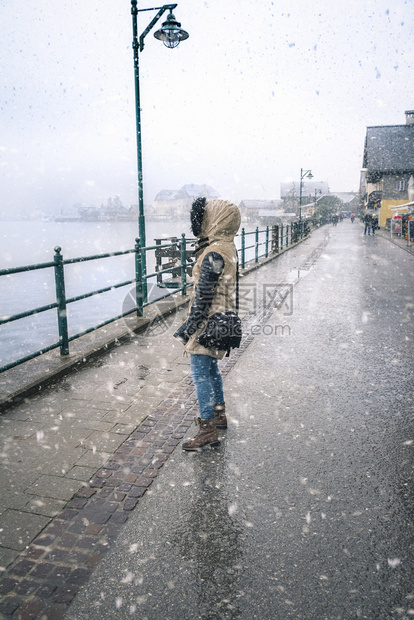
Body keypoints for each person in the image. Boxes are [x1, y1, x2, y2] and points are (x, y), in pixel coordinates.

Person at [174, 198, 241, 451]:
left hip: (209, 322)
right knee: (211, 370)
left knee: (201, 374)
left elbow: (203, 297)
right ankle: (220, 414)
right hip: (223, 317)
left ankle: (207, 430)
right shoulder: (228, 247)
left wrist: (188, 330)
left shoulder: (214, 253)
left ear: (214, 220)